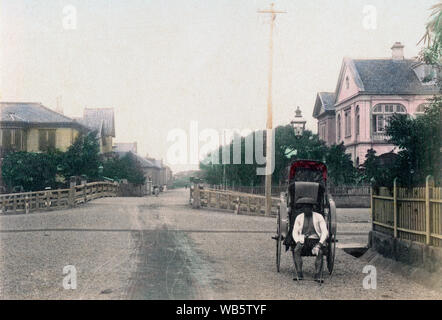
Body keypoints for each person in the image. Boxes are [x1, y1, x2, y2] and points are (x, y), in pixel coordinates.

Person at [292, 197, 328, 282]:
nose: (306, 209)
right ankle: (299, 273)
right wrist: (297, 241)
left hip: (315, 239)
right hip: (303, 239)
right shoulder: (299, 217)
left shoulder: (319, 217)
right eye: (304, 208)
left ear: (312, 208)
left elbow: (324, 231)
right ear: (303, 209)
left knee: (320, 252)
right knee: (296, 250)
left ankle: (317, 274)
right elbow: (294, 231)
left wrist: (320, 243)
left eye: (308, 208)